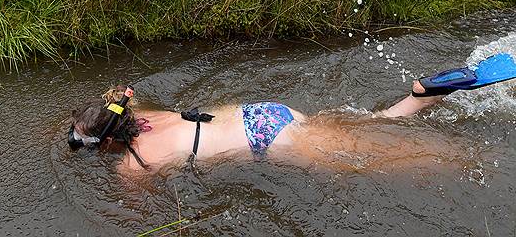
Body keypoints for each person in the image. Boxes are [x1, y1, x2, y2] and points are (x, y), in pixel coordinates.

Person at [68, 79, 454, 173]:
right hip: (262, 113)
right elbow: (121, 96)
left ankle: (452, 157)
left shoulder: (133, 166)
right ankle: (419, 97)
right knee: (358, 128)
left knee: (371, 159)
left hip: (264, 139)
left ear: (104, 144)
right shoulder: (149, 117)